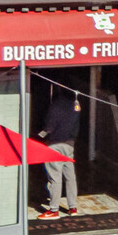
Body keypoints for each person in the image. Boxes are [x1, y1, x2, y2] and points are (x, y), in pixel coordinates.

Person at [37, 85, 82, 219]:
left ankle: (53, 210)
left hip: (54, 144)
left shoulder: (55, 107)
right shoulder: (76, 107)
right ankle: (72, 207)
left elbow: (49, 127)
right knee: (70, 176)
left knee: (54, 178)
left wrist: (39, 135)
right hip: (69, 144)